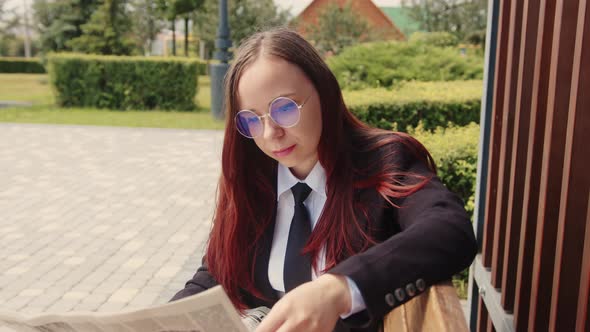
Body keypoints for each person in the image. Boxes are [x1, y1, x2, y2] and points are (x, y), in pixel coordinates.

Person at [171, 27, 477, 332]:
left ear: (324, 93)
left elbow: (450, 228)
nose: (270, 134)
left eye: (285, 108)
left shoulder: (385, 163)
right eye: (252, 119)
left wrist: (340, 289)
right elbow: (215, 272)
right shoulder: (253, 179)